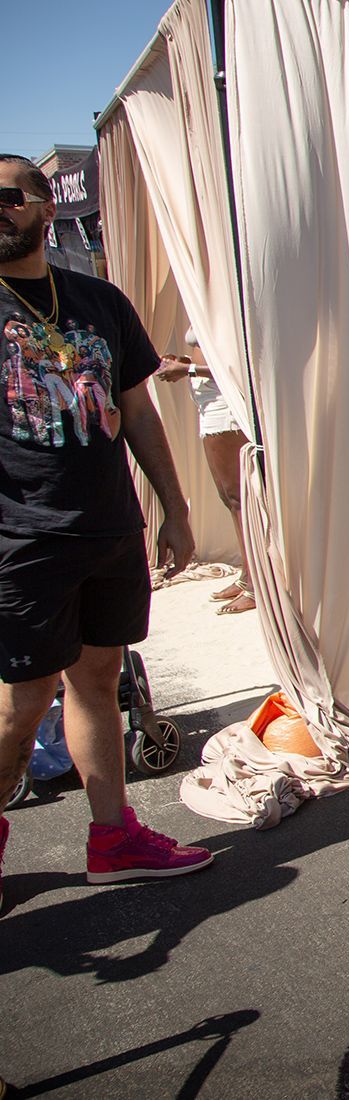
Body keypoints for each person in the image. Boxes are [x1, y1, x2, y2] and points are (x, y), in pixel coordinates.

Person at [0, 153, 214, 911]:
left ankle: (113, 838)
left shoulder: (98, 300)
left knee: (98, 682)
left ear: (43, 206)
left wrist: (175, 508)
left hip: (109, 528)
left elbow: (140, 411)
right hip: (20, 540)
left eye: (7, 196)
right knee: (21, 703)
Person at [156, 330, 253, 614]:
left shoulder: (227, 297)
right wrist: (186, 363)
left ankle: (256, 582)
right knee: (230, 498)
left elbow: (241, 365)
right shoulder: (202, 293)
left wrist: (188, 369)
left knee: (240, 500)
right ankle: (249, 574)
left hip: (226, 405)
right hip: (209, 402)